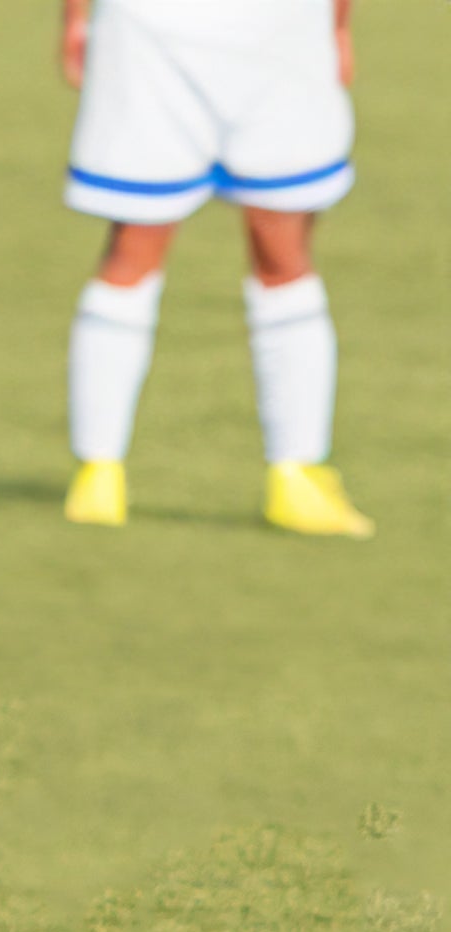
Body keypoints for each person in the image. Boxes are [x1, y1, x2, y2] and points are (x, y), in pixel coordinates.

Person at [58, 0, 372, 536]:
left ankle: (97, 475)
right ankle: (296, 476)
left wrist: (76, 19)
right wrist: (338, 23)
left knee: (134, 243)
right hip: (278, 23)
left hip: (148, 23)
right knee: (284, 249)